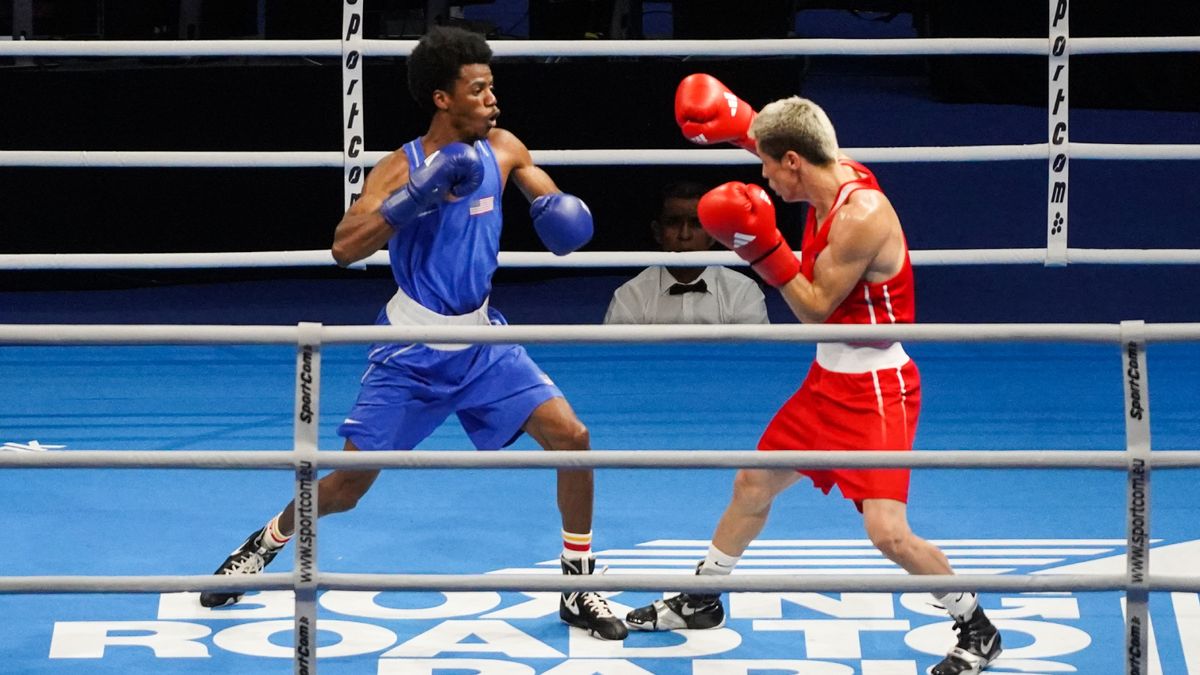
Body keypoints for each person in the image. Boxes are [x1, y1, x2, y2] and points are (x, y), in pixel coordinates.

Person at [198, 26, 627, 641]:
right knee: (345, 487)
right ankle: (264, 543)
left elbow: (554, 201)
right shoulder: (401, 168)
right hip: (411, 350)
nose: (491, 100)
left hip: (484, 343)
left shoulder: (503, 149)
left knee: (574, 438)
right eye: (477, 90)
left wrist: (559, 212)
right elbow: (344, 247)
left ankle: (578, 584)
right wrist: (412, 201)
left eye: (492, 87)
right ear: (441, 98)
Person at [625, 74, 1003, 675]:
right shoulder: (827, 172)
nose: (765, 181)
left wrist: (760, 247)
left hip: (876, 388)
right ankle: (702, 595)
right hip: (828, 379)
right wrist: (737, 122)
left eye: (771, 170)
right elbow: (773, 143)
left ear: (794, 163)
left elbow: (813, 305)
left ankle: (977, 627)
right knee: (753, 482)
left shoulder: (862, 215)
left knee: (888, 534)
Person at [603, 180, 769, 325]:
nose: (684, 235)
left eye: (696, 223)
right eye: (673, 223)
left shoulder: (743, 292)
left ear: (713, 233)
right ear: (657, 232)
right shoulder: (631, 295)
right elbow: (617, 359)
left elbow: (753, 358)